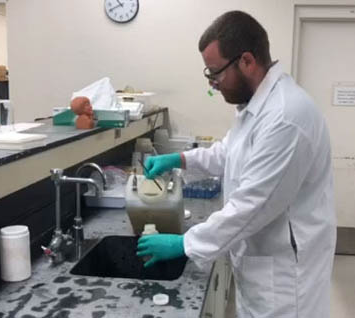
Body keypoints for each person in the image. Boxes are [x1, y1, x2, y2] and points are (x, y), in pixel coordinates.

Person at [136, 11, 336, 318]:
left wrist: (186, 243)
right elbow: (227, 153)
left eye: (215, 73)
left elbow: (252, 205)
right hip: (263, 263)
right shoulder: (255, 105)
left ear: (246, 61)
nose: (214, 84)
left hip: (285, 279)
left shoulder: (285, 116)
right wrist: (179, 159)